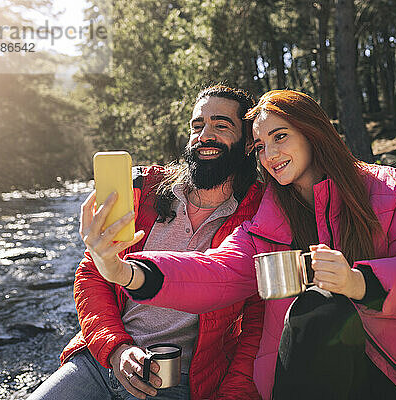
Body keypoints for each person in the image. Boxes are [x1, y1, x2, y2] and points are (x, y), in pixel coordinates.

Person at [86, 89, 396, 399]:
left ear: (312, 131)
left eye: (279, 136)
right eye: (259, 146)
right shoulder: (267, 218)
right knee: (320, 310)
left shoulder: (389, 189)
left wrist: (357, 282)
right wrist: (127, 272)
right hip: (315, 373)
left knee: (328, 305)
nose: (269, 155)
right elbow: (217, 271)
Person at [28, 85, 265, 400]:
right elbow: (92, 274)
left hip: (174, 378)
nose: (205, 135)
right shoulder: (144, 191)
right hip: (103, 359)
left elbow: (257, 326)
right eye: (197, 126)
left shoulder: (259, 214)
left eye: (221, 126)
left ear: (248, 142)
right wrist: (116, 349)